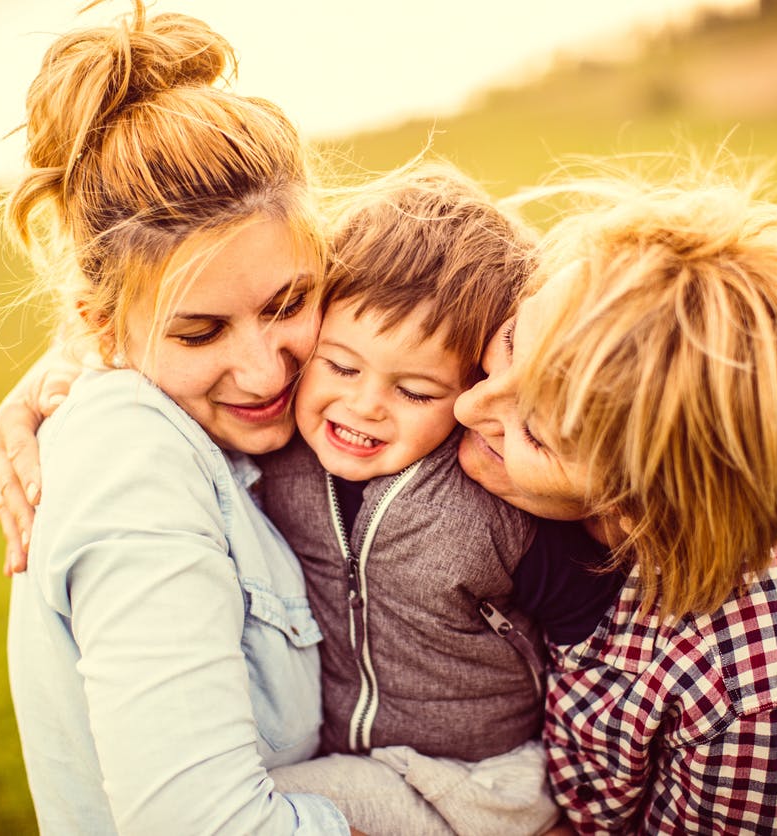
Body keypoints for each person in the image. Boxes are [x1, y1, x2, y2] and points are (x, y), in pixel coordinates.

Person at [452, 167, 777, 832]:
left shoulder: (763, 700)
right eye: (513, 340)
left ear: (645, 506)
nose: (468, 403)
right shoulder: (565, 505)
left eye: (536, 432)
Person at [0, 2, 350, 832]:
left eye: (288, 302)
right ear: (100, 325)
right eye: (201, 331)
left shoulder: (179, 410)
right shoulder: (131, 464)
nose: (267, 371)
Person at [256, 161, 563, 835]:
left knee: (242, 805)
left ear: (474, 390)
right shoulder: (274, 447)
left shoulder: (495, 500)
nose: (364, 405)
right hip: (356, 757)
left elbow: (591, 620)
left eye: (417, 392)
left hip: (483, 784)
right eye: (339, 366)